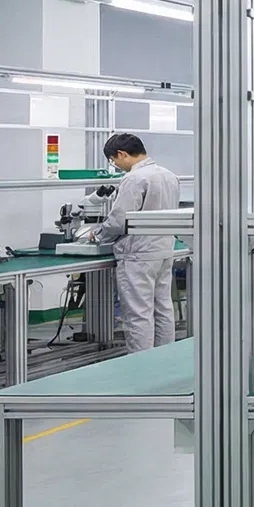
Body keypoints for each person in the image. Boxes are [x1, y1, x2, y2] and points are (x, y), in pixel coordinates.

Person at [92, 134, 182, 353]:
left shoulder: (135, 178)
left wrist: (98, 235)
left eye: (115, 161)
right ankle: (165, 360)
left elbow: (119, 219)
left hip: (138, 254)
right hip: (163, 250)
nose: (117, 165)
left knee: (138, 314)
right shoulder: (168, 175)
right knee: (162, 308)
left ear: (122, 154)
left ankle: (141, 368)